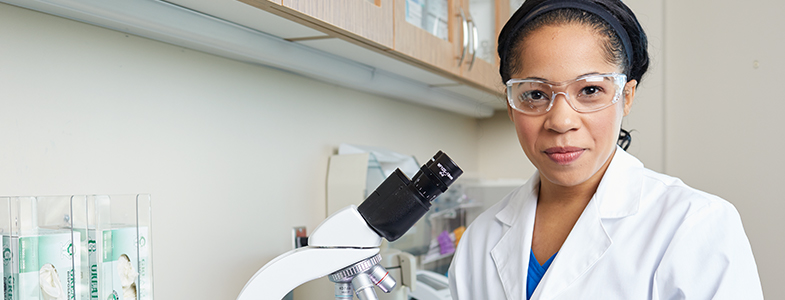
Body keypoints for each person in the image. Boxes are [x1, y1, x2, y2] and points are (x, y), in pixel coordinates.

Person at [447, 0, 764, 299]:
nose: (561, 120)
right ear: (511, 104)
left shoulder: (694, 225)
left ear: (626, 96)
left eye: (590, 90)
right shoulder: (479, 239)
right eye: (535, 94)